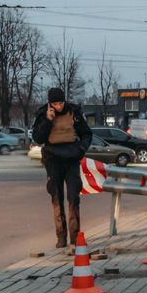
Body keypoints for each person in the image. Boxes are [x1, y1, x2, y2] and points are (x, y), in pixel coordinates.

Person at [32, 87, 93, 248]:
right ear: (50, 103)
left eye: (61, 103)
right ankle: (61, 237)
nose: (59, 106)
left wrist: (81, 149)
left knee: (73, 198)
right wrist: (48, 120)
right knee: (56, 198)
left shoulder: (74, 112)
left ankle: (75, 237)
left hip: (72, 158)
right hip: (52, 159)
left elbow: (87, 134)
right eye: (55, 104)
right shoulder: (43, 114)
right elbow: (38, 138)